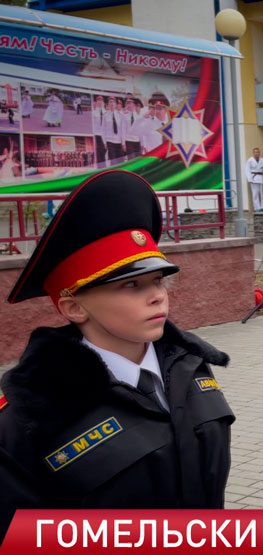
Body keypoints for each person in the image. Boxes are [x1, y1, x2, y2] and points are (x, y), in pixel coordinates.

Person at [0, 169, 234, 539]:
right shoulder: (33, 412)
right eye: (131, 285)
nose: (157, 295)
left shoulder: (190, 366)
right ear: (74, 308)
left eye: (158, 280)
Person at [245, 147, 263, 211]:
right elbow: (247, 170)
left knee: (262, 193)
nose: (257, 153)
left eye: (258, 152)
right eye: (256, 152)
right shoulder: (250, 160)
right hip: (253, 178)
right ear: (253, 153)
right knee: (255, 193)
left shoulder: (262, 160)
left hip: (261, 177)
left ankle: (262, 207)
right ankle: (257, 208)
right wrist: (249, 179)